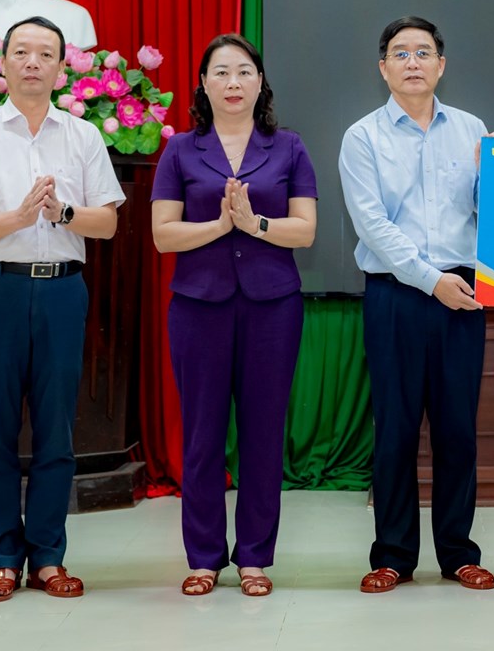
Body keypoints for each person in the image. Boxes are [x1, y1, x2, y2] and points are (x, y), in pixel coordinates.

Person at [0, 16, 125, 602]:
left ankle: (47, 555)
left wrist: (62, 213)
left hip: (62, 290)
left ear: (62, 67)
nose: (33, 62)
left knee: (56, 430)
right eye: (22, 52)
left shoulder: (83, 136)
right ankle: (2, 557)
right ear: (3, 63)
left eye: (46, 53)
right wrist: (17, 218)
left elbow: (107, 223)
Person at [151, 34, 318, 598]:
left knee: (263, 434)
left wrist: (255, 225)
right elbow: (163, 234)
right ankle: (203, 558)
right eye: (220, 72)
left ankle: (254, 558)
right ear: (203, 84)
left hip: (272, 308)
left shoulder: (288, 147)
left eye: (244, 71)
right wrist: (222, 226)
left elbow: (305, 229)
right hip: (199, 307)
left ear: (260, 82)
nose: (233, 83)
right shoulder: (180, 150)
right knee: (202, 435)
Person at [338, 16, 494, 594]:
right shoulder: (362, 137)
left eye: (423, 52)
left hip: (465, 294)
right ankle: (393, 556)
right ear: (383, 68)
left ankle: (458, 553)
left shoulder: (472, 129)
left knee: (458, 431)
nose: (413, 62)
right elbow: (373, 225)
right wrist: (431, 281)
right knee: (396, 430)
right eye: (401, 53)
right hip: (396, 295)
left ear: (441, 65)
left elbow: (492, 216)